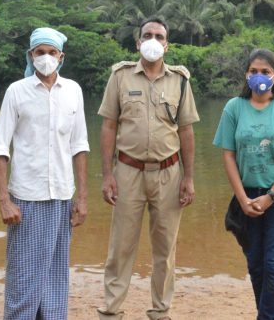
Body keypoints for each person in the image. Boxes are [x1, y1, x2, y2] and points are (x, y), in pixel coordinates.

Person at [97, 18, 199, 320]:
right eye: (147, 35)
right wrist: (107, 175)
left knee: (165, 249)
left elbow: (186, 132)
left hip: (169, 173)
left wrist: (189, 178)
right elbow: (109, 127)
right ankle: (111, 310)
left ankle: (160, 311)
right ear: (138, 42)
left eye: (159, 36)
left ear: (167, 44)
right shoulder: (120, 77)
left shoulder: (180, 81)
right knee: (121, 246)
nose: (153, 40)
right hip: (127, 171)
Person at [0, 27, 89, 320]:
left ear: (61, 57)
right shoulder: (16, 92)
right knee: (23, 278)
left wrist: (82, 198)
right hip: (26, 199)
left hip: (61, 197)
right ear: (31, 55)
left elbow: (80, 146)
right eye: (39, 52)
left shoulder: (73, 91)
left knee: (56, 277)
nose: (45, 57)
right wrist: (4, 201)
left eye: (51, 52)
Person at [213, 48, 274, 320]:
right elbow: (228, 156)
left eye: (265, 72)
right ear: (246, 75)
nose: (259, 77)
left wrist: (271, 196)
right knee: (256, 265)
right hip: (247, 195)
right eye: (253, 72)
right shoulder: (234, 108)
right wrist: (243, 199)